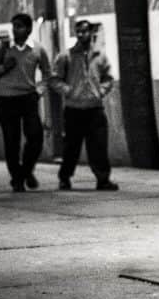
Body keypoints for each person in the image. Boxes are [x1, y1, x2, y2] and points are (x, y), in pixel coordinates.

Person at [0, 13, 52, 192]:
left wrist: (40, 91)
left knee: (35, 137)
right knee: (11, 141)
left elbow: (47, 72)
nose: (15, 30)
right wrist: (4, 67)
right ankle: (17, 178)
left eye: (19, 26)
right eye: (14, 26)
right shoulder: (4, 48)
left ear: (28, 29)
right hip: (6, 99)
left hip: (28, 98)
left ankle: (26, 171)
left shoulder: (37, 49)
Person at [49, 20, 119, 191]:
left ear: (91, 33)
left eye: (84, 31)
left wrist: (100, 92)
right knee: (71, 148)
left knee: (99, 147)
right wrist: (69, 91)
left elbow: (108, 78)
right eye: (78, 32)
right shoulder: (66, 56)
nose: (81, 35)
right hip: (74, 110)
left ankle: (103, 180)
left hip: (95, 109)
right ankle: (64, 178)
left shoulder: (99, 56)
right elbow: (54, 79)